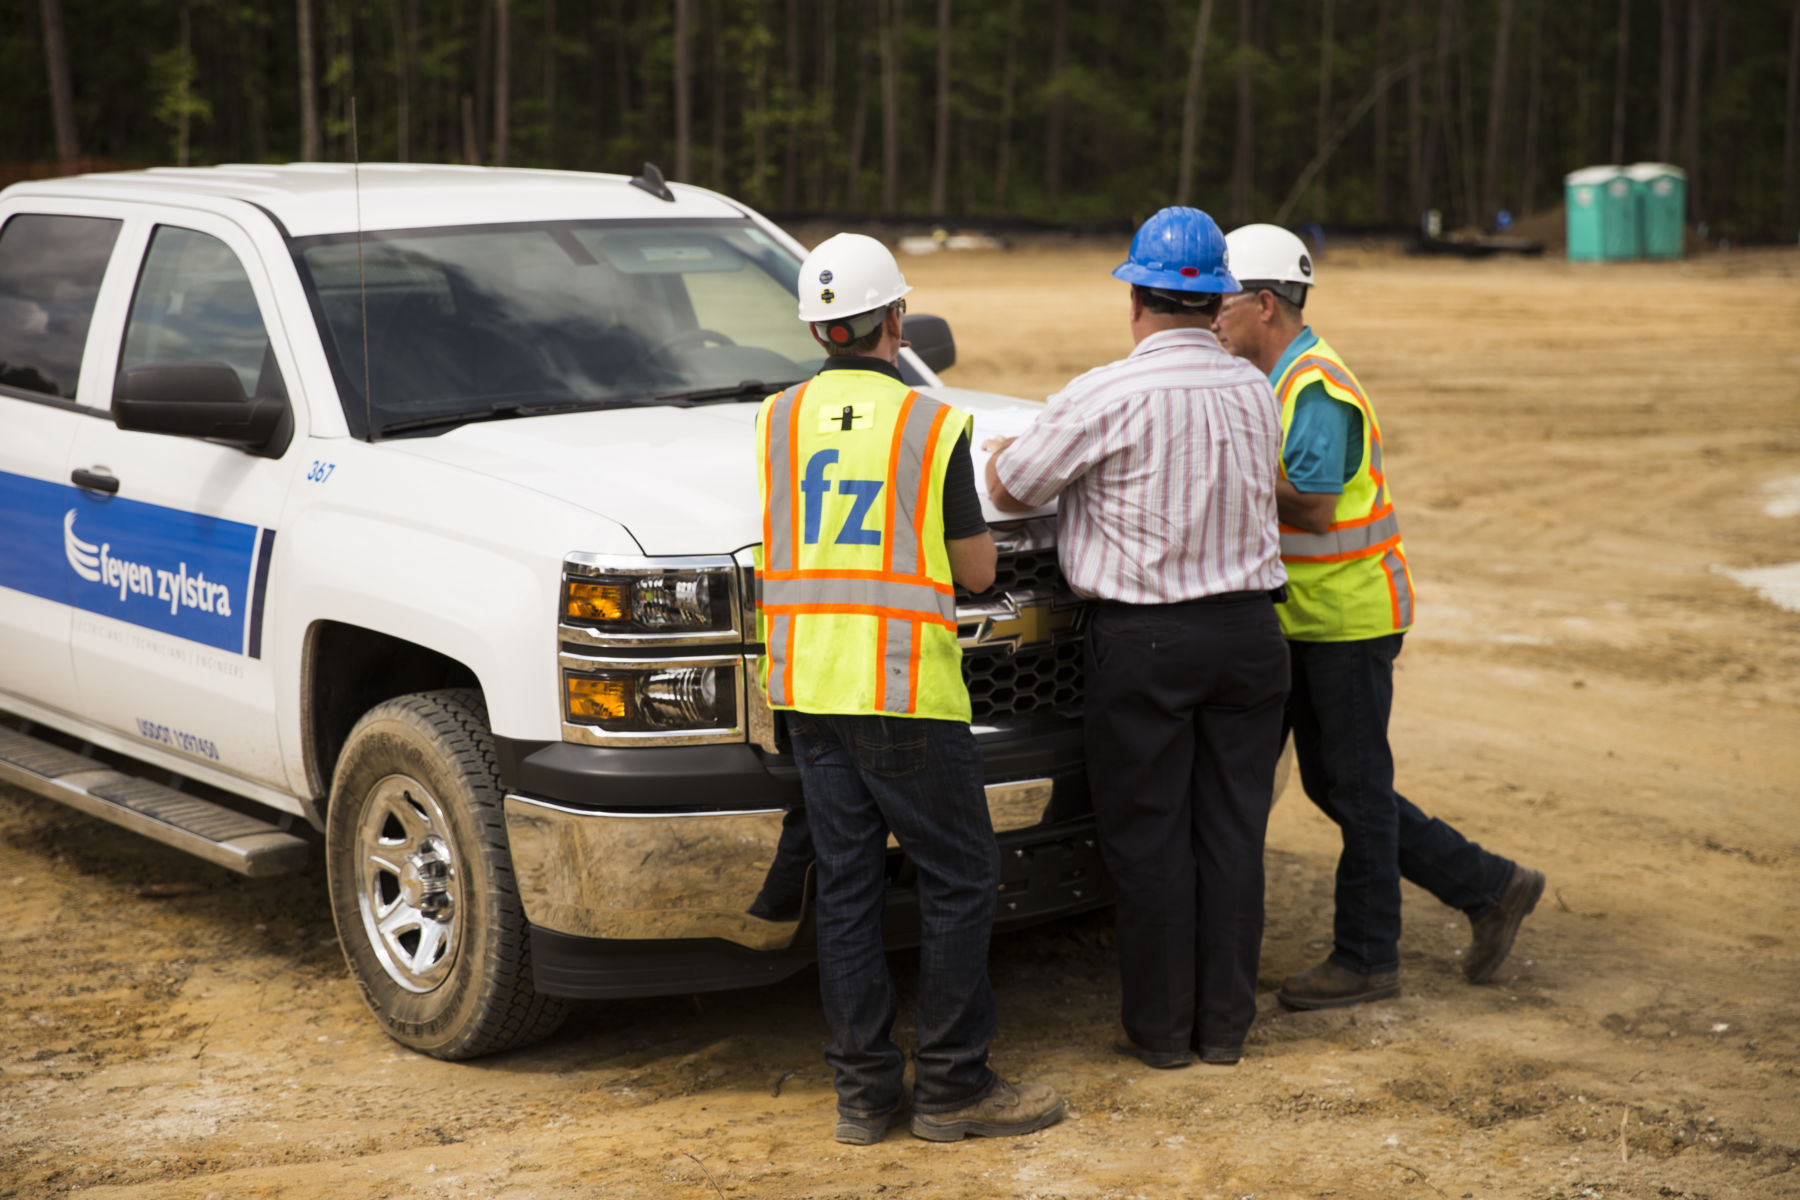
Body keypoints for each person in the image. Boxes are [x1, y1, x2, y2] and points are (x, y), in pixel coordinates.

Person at [755, 232, 1063, 1145]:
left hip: (807, 685)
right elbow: (973, 571)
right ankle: (954, 1088)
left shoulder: (775, 419)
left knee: (846, 886)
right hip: (900, 689)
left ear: (819, 329)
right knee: (960, 876)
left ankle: (862, 1095)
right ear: (896, 318)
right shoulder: (931, 424)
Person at [985, 207, 1290, 1069]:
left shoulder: (1106, 393)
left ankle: (1162, 1033)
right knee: (1232, 834)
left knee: (1151, 838)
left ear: (1135, 301)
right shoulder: (1254, 390)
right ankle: (1224, 1031)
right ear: (1218, 302)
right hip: (1250, 634)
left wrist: (1024, 450)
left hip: (1148, 641)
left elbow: (1009, 487)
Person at [1212, 222, 1546, 1010]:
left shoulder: (1316, 387)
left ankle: (1369, 957)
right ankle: (1492, 885)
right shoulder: (1273, 377)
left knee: (1355, 790)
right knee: (1338, 784)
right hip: (1310, 620)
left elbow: (1319, 509)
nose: (1212, 315)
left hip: (1349, 620)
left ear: (1264, 303)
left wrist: (1222, 468)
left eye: (1222, 301)